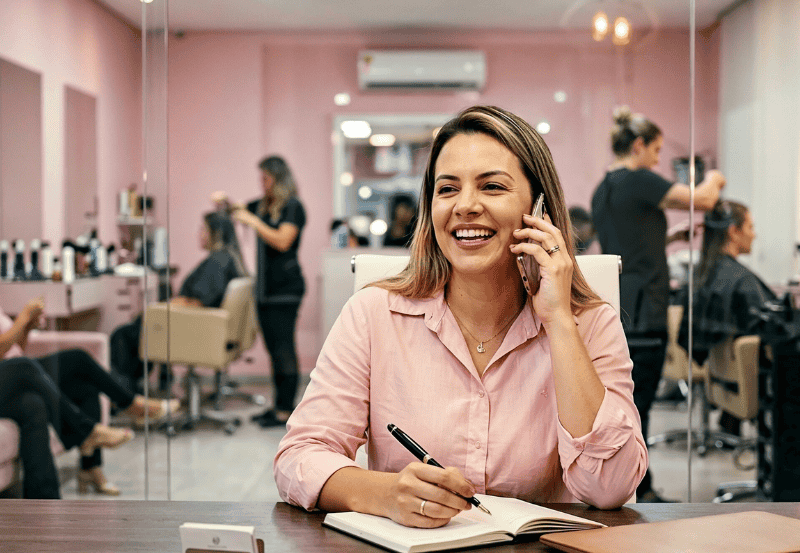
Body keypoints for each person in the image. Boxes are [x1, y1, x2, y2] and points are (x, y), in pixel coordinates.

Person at [274, 105, 647, 527]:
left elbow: (610, 488)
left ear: (539, 209)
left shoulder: (590, 323)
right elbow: (299, 457)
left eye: (492, 186)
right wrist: (386, 494)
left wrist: (559, 321)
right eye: (448, 189)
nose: (465, 206)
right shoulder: (373, 314)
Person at [591, 106, 726, 502]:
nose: (657, 159)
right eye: (655, 150)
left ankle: (637, 484)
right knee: (638, 405)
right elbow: (703, 199)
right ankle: (641, 488)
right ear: (638, 145)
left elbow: (627, 247)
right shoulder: (638, 179)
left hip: (620, 305)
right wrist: (715, 176)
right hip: (644, 311)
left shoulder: (604, 188)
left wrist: (669, 239)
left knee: (629, 401)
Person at [0, 298, 177, 498]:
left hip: (11, 376)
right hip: (14, 373)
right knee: (25, 366)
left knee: (48, 397)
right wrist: (22, 319)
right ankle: (97, 426)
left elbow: (14, 350)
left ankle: (50, 497)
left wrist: (27, 327)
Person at [110, 211, 247, 394]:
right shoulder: (227, 258)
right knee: (139, 328)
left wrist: (160, 309)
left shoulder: (217, 261)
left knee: (122, 335)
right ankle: (139, 390)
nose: (199, 234)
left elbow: (197, 302)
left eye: (203, 229)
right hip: (204, 328)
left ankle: (124, 396)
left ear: (216, 234)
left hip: (196, 329)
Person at [678, 200, 775, 436]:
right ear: (733, 231)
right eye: (750, 227)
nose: (754, 234)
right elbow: (770, 329)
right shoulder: (740, 279)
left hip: (722, 376)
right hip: (741, 377)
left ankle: (730, 421)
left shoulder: (704, 273)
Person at [223, 155, 306, 428]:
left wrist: (254, 221)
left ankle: (286, 409)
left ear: (279, 179)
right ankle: (278, 405)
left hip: (286, 290)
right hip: (265, 290)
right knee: (273, 350)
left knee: (284, 349)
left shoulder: (293, 207)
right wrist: (225, 203)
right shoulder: (262, 206)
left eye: (266, 178)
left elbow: (283, 241)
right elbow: (237, 211)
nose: (263, 183)